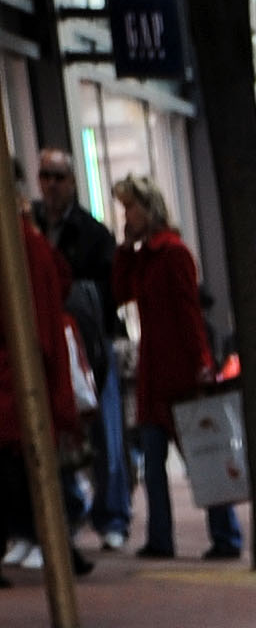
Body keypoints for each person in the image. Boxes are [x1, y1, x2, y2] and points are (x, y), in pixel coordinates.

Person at [112, 174, 241, 560]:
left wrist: (202, 365)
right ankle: (161, 538)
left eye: (130, 207)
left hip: (181, 373)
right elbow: (120, 294)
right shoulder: (145, 258)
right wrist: (125, 250)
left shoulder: (174, 254)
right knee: (155, 465)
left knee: (204, 454)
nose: (126, 215)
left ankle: (225, 537)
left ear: (147, 208)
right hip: (155, 374)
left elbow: (189, 315)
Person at [34, 145, 128, 548]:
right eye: (46, 176)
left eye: (59, 176)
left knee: (105, 430)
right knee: (58, 429)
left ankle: (112, 516)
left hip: (89, 345)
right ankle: (73, 509)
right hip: (51, 343)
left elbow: (111, 290)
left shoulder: (92, 234)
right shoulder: (34, 228)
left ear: (72, 181)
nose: (52, 185)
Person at [0, 166, 79, 578]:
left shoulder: (26, 245)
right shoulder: (27, 241)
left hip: (26, 366)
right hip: (20, 365)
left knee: (26, 455)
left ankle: (46, 535)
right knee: (18, 458)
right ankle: (33, 534)